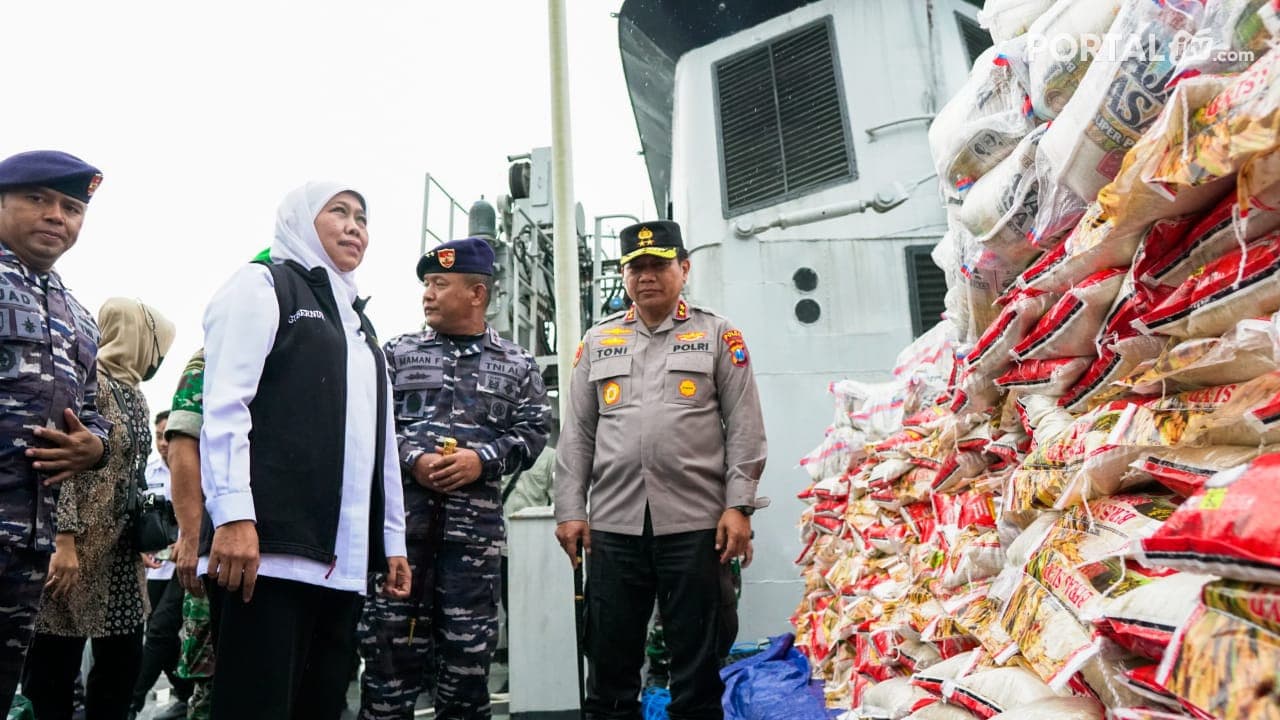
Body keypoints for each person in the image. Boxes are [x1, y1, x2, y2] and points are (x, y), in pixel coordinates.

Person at [198, 182, 411, 720]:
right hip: (265, 553)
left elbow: (379, 445)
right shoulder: (264, 284)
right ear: (298, 220)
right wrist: (234, 516)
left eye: (362, 216)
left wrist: (391, 541)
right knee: (255, 707)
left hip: (338, 564)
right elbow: (225, 407)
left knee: (322, 707)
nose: (354, 226)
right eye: (337, 212)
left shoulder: (359, 323)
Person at [554, 220, 768, 720]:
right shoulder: (598, 341)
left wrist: (739, 506)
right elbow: (577, 434)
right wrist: (570, 509)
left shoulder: (718, 334)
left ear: (684, 268)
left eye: (659, 264)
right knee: (609, 671)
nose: (646, 275)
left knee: (696, 670)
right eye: (636, 267)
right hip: (612, 526)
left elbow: (744, 426)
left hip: (696, 525)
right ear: (625, 276)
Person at [359, 237, 551, 720]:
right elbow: (368, 424)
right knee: (387, 670)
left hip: (473, 550)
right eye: (426, 283)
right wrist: (412, 460)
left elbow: (533, 432)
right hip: (399, 543)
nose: (428, 293)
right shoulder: (396, 355)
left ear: (476, 294)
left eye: (440, 283)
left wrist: (480, 460)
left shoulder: (518, 364)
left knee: (467, 674)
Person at [22, 298, 176, 720]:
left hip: (121, 558)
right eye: (157, 345)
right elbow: (61, 464)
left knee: (120, 671)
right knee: (54, 673)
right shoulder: (88, 381)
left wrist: (144, 533)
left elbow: (132, 476)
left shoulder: (136, 396)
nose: (158, 356)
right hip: (79, 552)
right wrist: (64, 539)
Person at [0, 150, 111, 708]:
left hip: (28, 546)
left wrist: (95, 446)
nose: (56, 216)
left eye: (71, 207)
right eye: (37, 200)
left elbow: (92, 410)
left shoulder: (78, 316)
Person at [130, 409, 193, 719]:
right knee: (161, 636)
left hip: (185, 568)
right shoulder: (149, 473)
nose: (163, 443)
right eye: (158, 436)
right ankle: (185, 694)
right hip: (154, 569)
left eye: (168, 435)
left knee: (159, 632)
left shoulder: (194, 470)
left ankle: (131, 702)